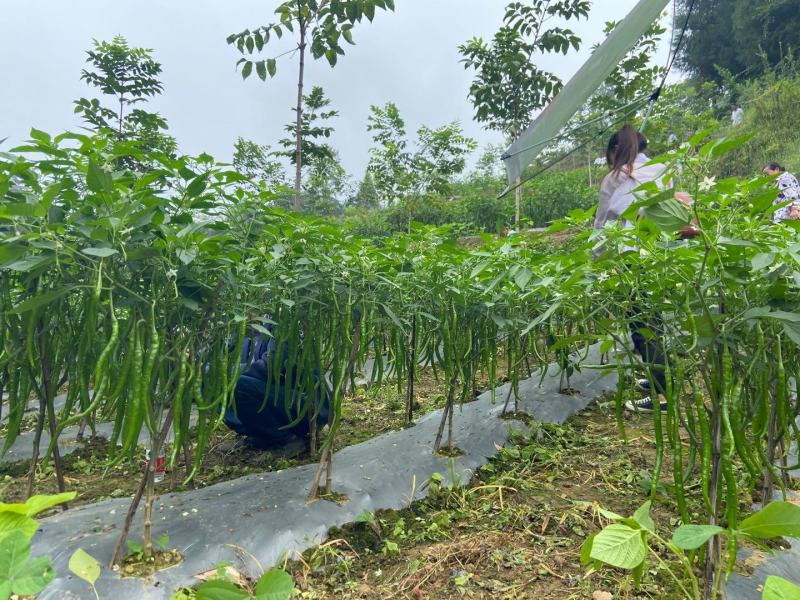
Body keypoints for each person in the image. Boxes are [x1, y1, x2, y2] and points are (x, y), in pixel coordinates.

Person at [594, 124, 697, 413]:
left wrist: (597, 261)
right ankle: (660, 378)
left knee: (641, 324)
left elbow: (602, 224)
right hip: (658, 253)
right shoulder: (660, 169)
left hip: (630, 257)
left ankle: (661, 395)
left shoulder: (614, 178)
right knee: (654, 321)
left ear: (616, 150)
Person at [223, 329, 330, 451]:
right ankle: (255, 434)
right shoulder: (244, 328)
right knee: (209, 380)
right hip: (275, 399)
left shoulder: (282, 324)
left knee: (237, 384)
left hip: (302, 405)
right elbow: (223, 350)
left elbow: (272, 367)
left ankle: (286, 440)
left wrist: (226, 372)